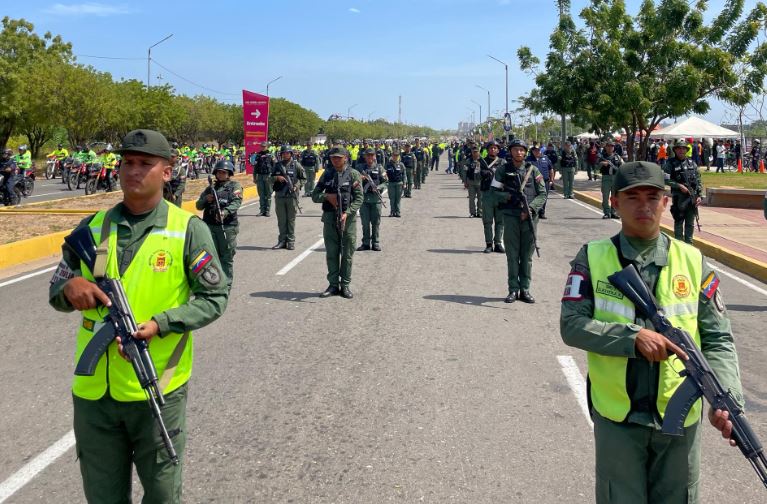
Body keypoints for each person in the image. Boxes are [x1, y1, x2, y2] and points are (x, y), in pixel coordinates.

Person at [48, 129, 228, 503]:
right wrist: (70, 289)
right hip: (95, 396)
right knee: (103, 497)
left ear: (166, 171)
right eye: (127, 163)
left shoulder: (187, 231)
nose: (134, 171)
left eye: (145, 164)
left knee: (162, 494)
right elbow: (57, 290)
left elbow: (215, 298)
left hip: (158, 389)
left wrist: (161, 323)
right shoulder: (91, 229)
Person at [560, 160, 743, 504]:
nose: (643, 206)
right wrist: (633, 339)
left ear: (666, 202)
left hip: (678, 424)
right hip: (619, 419)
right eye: (632, 197)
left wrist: (728, 400)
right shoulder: (593, 257)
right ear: (614, 202)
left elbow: (718, 338)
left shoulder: (692, 260)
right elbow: (572, 325)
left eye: (652, 197)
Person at [491, 139, 547, 303]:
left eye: (522, 150)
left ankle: (525, 289)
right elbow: (493, 192)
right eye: (515, 150)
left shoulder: (533, 170)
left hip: (529, 218)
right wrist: (508, 196)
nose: (519, 153)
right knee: (512, 255)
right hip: (510, 217)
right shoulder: (502, 170)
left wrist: (530, 209)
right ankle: (513, 289)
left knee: (527, 256)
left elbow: (542, 194)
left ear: (525, 152)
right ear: (510, 152)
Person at [311, 147, 363, 299]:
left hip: (348, 221)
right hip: (329, 219)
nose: (335, 160)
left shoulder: (353, 174)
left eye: (338, 157)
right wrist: (327, 196)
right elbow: (315, 195)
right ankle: (333, 285)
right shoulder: (327, 174)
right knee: (332, 253)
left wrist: (348, 212)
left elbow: (359, 198)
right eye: (333, 157)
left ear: (345, 158)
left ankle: (345, 285)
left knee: (347, 254)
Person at [195, 159, 242, 291]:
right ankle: (212, 282)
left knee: (226, 256)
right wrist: (206, 199)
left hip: (227, 227)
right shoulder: (210, 189)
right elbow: (198, 206)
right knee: (210, 256)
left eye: (224, 172)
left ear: (229, 174)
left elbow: (236, 202)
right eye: (219, 172)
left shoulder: (235, 186)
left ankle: (226, 284)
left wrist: (225, 212)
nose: (221, 174)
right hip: (209, 226)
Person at [664, 138, 702, 244]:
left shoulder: (692, 163)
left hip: (691, 198)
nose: (681, 151)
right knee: (679, 222)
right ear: (675, 150)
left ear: (686, 150)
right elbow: (665, 179)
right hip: (679, 198)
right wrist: (678, 185)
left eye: (683, 149)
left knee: (690, 224)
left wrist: (699, 195)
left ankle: (689, 245)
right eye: (679, 149)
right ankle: (679, 245)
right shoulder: (670, 163)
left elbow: (698, 180)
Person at [270, 145, 305, 250]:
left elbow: (303, 178)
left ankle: (290, 241)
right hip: (280, 196)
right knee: (281, 220)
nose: (285, 155)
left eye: (287, 153)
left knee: (290, 220)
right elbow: (269, 178)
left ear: (291, 154)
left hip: (291, 197)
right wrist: (277, 177)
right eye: (283, 153)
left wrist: (296, 186)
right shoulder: (277, 165)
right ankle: (282, 241)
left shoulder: (296, 165)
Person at [355, 148, 388, 251]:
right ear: (365, 157)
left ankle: (375, 243)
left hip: (376, 200)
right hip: (364, 200)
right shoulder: (359, 168)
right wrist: (360, 178)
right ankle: (365, 243)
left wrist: (378, 187)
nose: (369, 157)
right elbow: (352, 180)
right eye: (367, 155)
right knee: (365, 223)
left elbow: (386, 182)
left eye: (371, 155)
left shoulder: (380, 168)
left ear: (374, 156)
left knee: (376, 222)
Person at [480, 140, 505, 253]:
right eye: (491, 148)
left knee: (500, 221)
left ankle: (498, 243)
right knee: (487, 221)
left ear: (498, 150)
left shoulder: (503, 162)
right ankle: (489, 244)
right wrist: (486, 172)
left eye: (495, 148)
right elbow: (477, 174)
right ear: (487, 149)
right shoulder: (482, 162)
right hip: (487, 194)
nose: (493, 150)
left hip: (500, 194)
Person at [598, 140, 623, 219]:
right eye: (608, 146)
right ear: (605, 147)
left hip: (615, 178)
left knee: (615, 197)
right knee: (605, 196)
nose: (610, 148)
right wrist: (602, 164)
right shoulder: (602, 156)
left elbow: (622, 166)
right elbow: (596, 167)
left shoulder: (617, 157)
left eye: (611, 146)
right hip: (606, 178)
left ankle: (613, 212)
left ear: (613, 148)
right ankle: (606, 212)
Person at [528, 145, 554, 219]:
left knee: (543, 196)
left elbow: (551, 169)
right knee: (533, 197)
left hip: (545, 181)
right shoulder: (528, 159)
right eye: (535, 150)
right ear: (532, 151)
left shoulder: (545, 158)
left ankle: (542, 212)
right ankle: (533, 211)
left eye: (538, 150)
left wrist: (552, 179)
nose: (537, 151)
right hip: (533, 181)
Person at [252, 141, 275, 216]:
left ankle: (267, 211)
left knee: (268, 194)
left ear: (267, 147)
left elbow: (275, 167)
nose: (263, 147)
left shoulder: (271, 155)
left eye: (264, 146)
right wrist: (254, 177)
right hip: (260, 176)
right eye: (262, 146)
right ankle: (262, 210)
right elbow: (255, 168)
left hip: (268, 176)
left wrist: (274, 178)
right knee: (261, 194)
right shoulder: (258, 155)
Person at [385, 149, 405, 217]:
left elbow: (404, 174)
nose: (395, 157)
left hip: (399, 183)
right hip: (391, 183)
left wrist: (404, 183)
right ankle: (392, 212)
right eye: (394, 155)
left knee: (398, 199)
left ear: (398, 156)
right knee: (392, 199)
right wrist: (385, 178)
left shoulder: (401, 164)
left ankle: (398, 212)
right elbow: (384, 173)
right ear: (392, 156)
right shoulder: (388, 164)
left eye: (397, 155)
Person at [464, 146, 483, 218]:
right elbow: (465, 172)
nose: (475, 153)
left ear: (479, 152)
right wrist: (465, 182)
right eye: (473, 152)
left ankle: (480, 212)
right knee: (471, 199)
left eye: (476, 152)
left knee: (480, 199)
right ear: (471, 152)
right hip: (471, 182)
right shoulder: (468, 161)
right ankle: (472, 213)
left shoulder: (482, 161)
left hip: (480, 182)